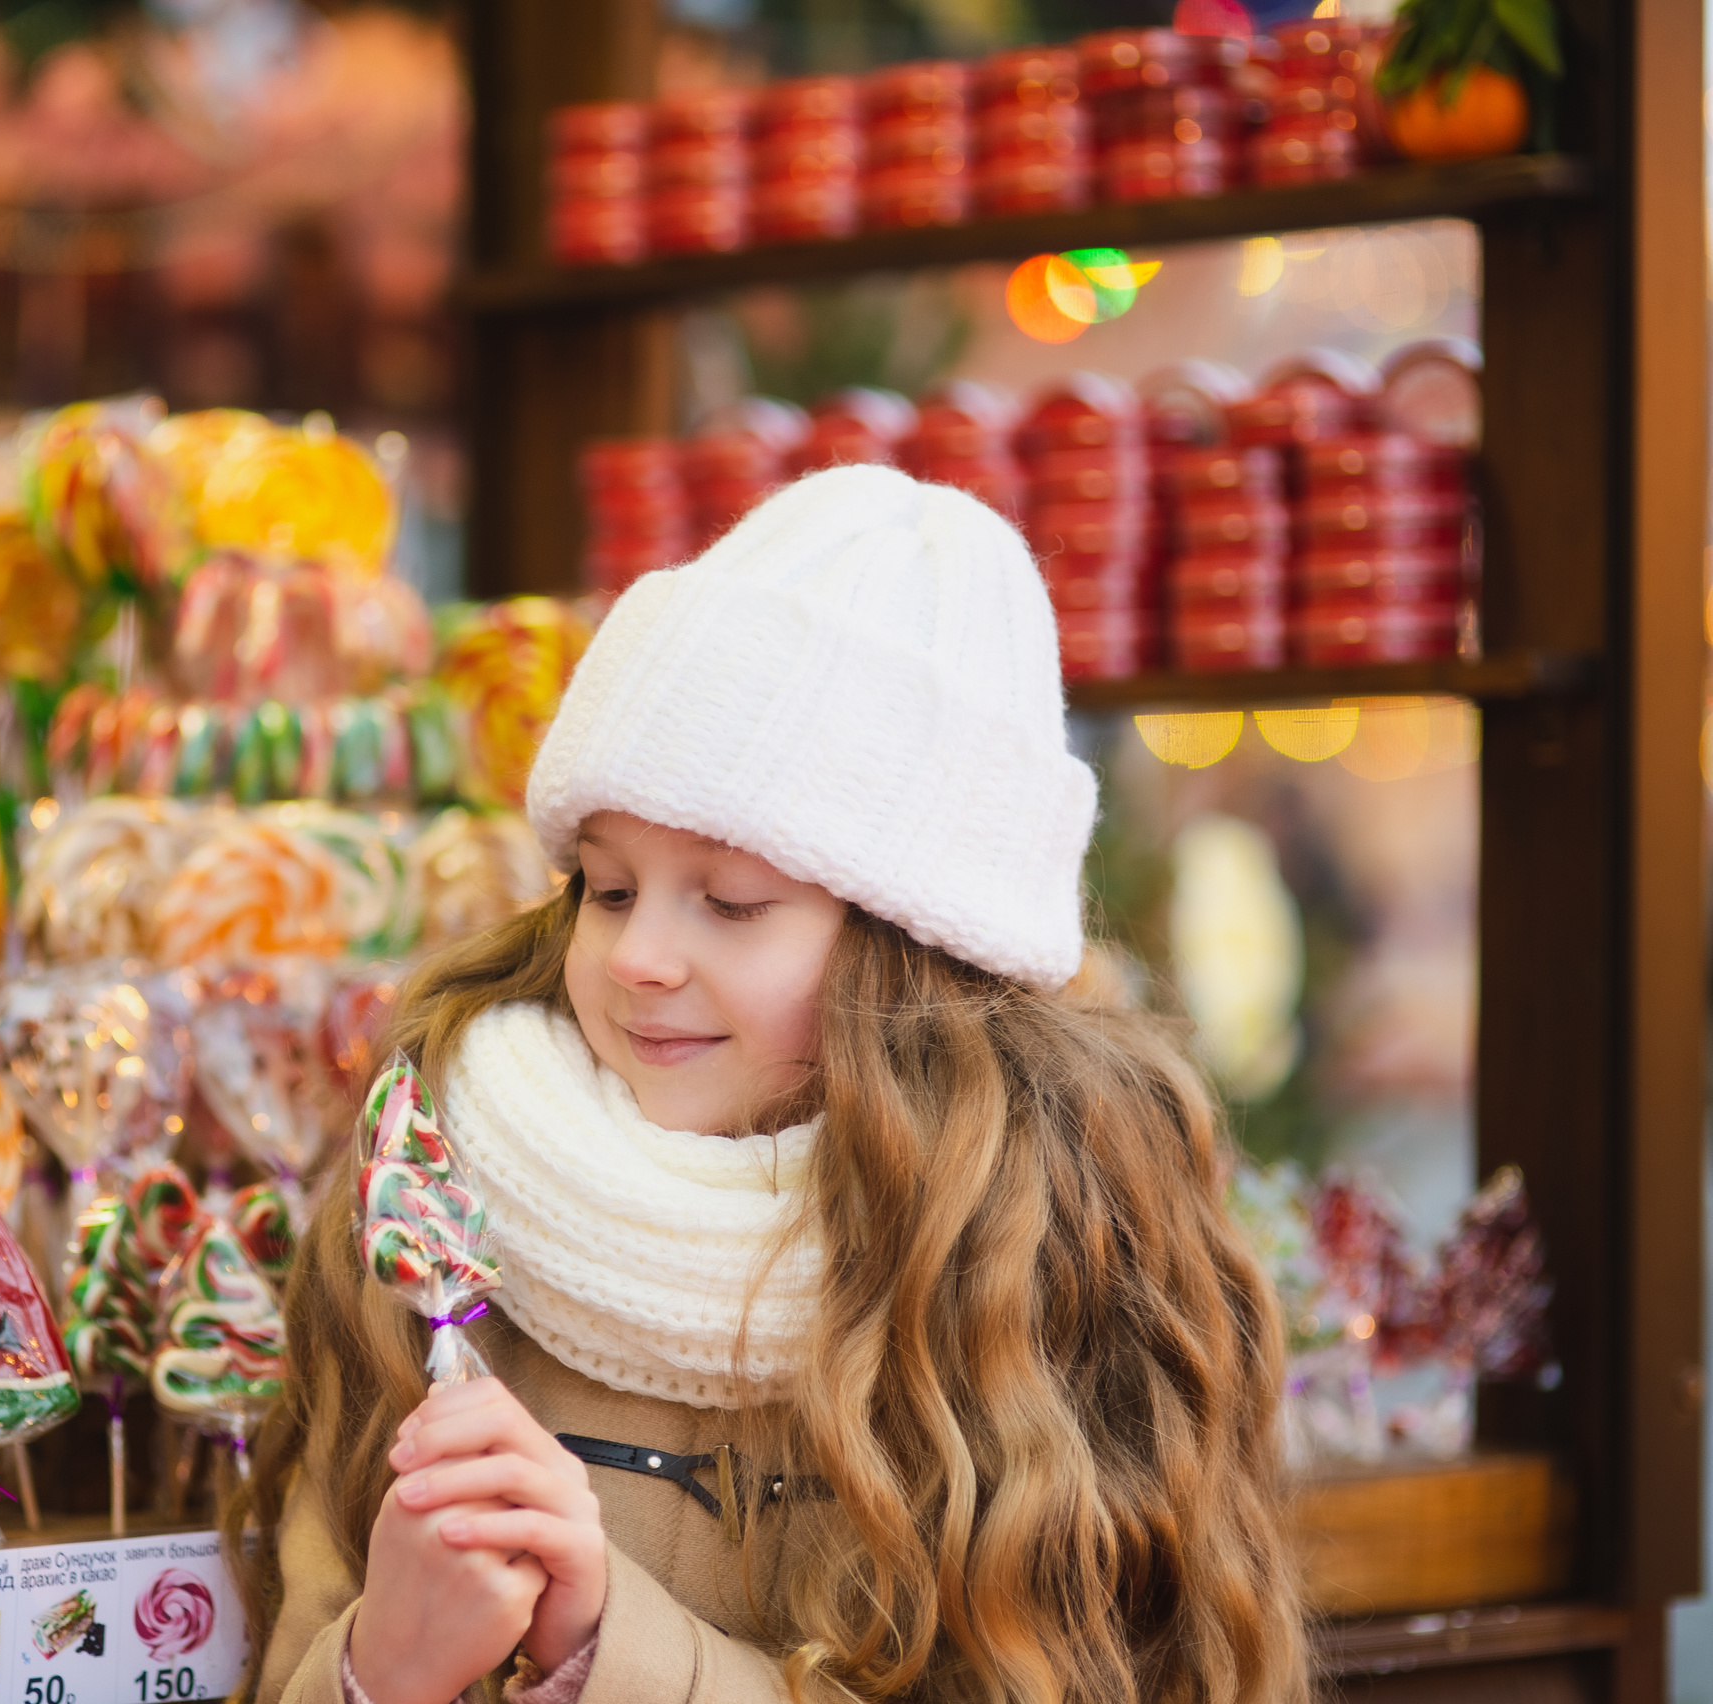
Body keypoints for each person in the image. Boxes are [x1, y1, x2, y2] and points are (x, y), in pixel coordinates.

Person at [229, 464, 1311, 1704]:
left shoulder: (1040, 1256)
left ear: (918, 952)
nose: (638, 959)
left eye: (734, 903)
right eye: (608, 885)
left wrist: (605, 1646)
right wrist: (384, 1670)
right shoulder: (440, 1187)